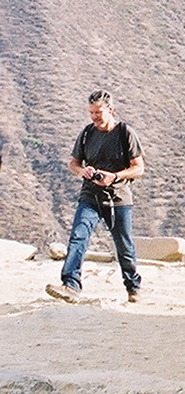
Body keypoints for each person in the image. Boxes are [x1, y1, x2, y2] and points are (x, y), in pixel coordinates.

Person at [47, 90, 145, 305]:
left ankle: (132, 286)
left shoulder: (125, 133)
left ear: (110, 110)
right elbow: (73, 163)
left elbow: (139, 168)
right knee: (78, 236)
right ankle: (70, 285)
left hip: (118, 199)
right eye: (91, 113)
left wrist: (115, 176)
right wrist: (82, 171)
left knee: (124, 247)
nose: (94, 117)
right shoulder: (86, 134)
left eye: (98, 112)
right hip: (89, 196)